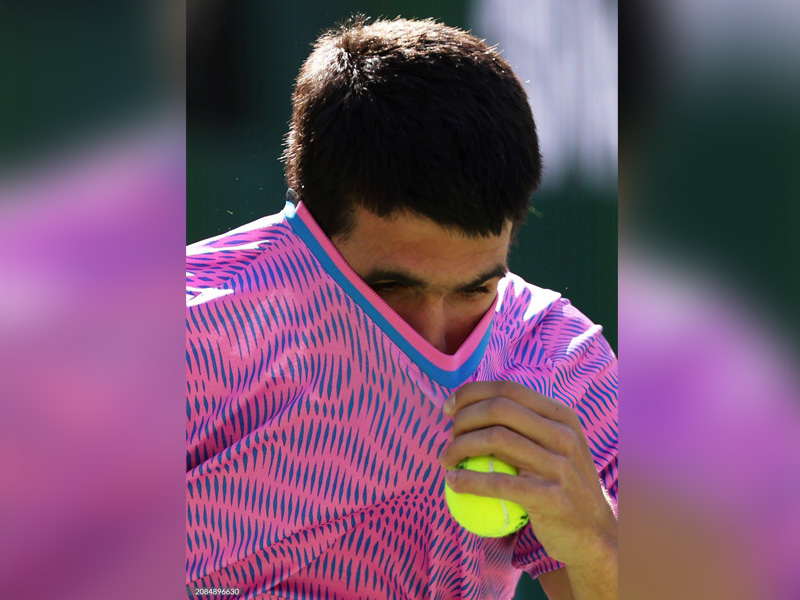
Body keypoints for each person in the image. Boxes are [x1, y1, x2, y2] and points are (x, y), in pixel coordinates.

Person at [186, 17, 617, 600]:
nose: (437, 335)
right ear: (316, 231)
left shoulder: (559, 361)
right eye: (395, 288)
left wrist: (596, 542)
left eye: (474, 289)